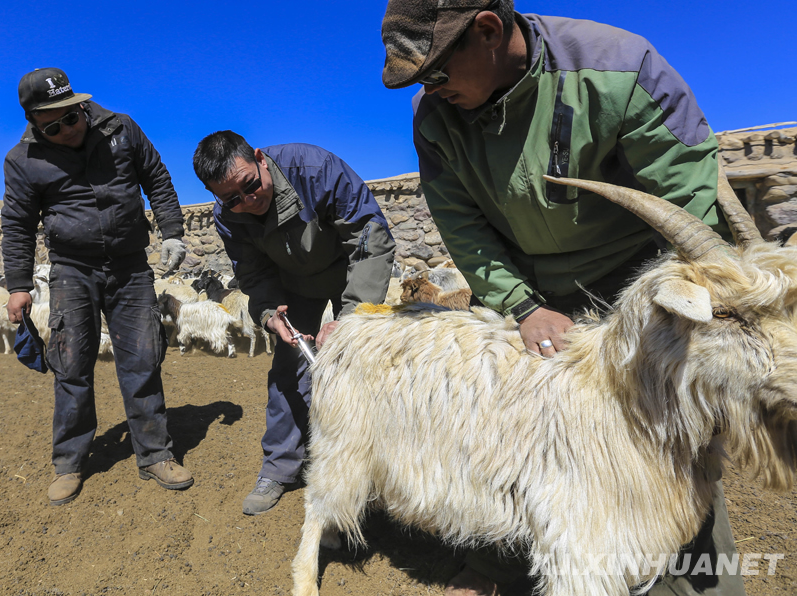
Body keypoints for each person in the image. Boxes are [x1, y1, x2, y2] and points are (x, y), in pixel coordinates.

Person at [381, 2, 745, 595]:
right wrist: (522, 306)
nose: (428, 89)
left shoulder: (618, 70)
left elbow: (690, 206)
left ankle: (699, 577)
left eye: (437, 72)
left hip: (642, 287)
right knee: (520, 434)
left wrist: (672, 317)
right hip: (533, 293)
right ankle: (508, 561)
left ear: (488, 30)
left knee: (668, 439)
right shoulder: (436, 119)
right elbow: (462, 224)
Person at [2, 67, 194, 506]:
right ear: (34, 122)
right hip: (72, 268)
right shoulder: (22, 160)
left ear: (80, 104)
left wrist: (173, 232)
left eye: (72, 117)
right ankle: (69, 463)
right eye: (53, 126)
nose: (68, 129)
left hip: (129, 266)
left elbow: (157, 179)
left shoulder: (121, 129)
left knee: (142, 359)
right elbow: (17, 225)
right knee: (70, 364)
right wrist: (18, 284)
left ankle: (155, 454)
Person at [192, 131, 396, 515]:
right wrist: (270, 314)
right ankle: (280, 467)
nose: (247, 201)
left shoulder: (317, 170)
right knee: (288, 369)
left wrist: (352, 320)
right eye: (231, 199)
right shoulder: (229, 218)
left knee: (363, 365)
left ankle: (375, 467)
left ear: (259, 159)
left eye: (250, 185)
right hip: (293, 287)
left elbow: (371, 241)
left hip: (350, 272)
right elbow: (252, 274)